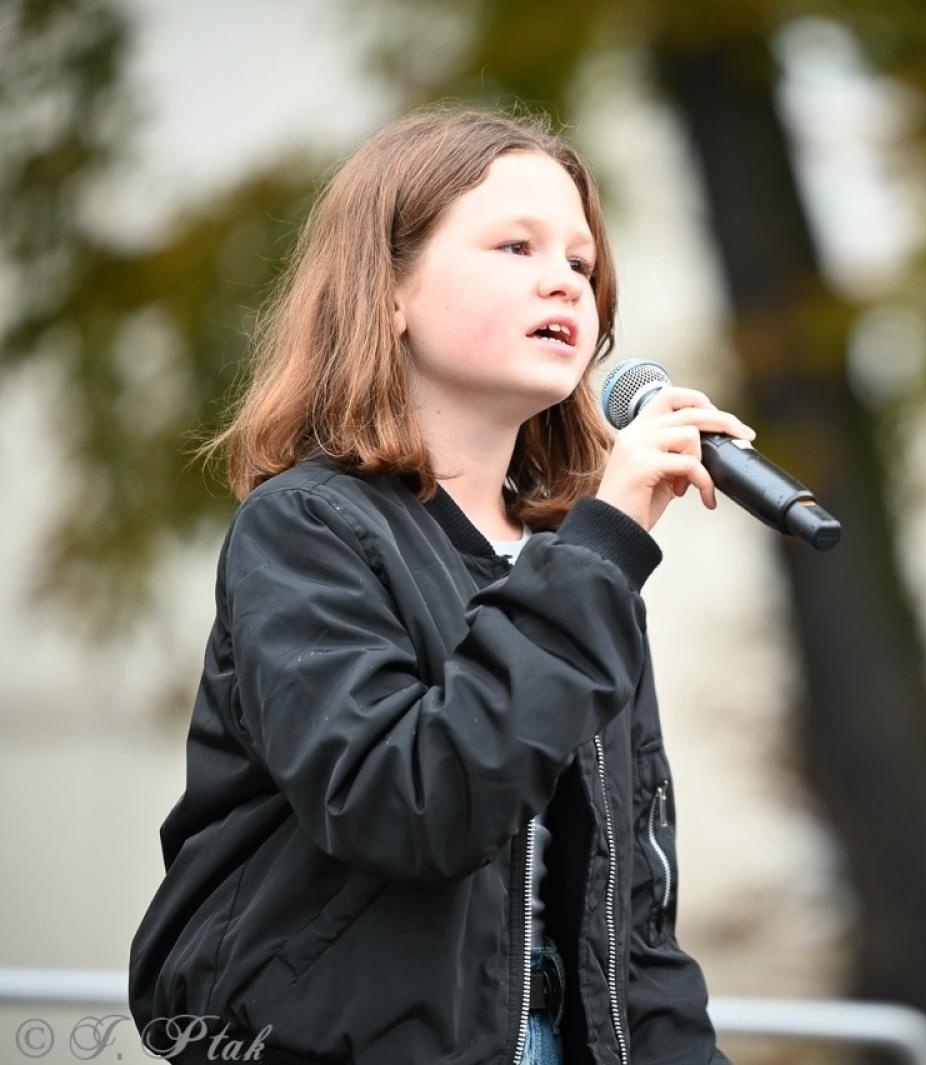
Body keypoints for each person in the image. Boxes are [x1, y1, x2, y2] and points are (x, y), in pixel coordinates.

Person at [127, 102, 749, 1065]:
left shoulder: (576, 564)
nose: (564, 280)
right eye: (514, 246)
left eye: (582, 262)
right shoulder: (307, 527)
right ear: (389, 295)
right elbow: (410, 802)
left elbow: (633, 926)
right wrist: (602, 549)